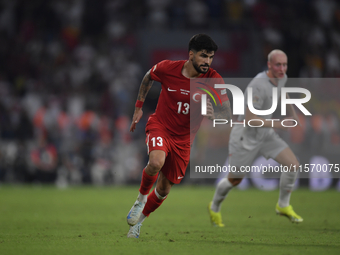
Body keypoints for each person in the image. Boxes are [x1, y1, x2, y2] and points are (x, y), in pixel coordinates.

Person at [127, 34, 231, 238]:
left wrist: (215, 113)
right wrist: (139, 107)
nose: (207, 62)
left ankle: (138, 224)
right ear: (191, 54)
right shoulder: (168, 68)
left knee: (164, 189)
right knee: (156, 162)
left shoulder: (213, 79)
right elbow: (148, 76)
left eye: (211, 57)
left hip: (184, 140)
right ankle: (139, 200)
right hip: (161, 126)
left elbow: (226, 112)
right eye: (203, 56)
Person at [208, 50, 303, 227]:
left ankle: (283, 205)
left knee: (293, 165)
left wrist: (293, 115)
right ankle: (214, 206)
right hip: (245, 136)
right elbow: (251, 119)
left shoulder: (281, 77)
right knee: (234, 180)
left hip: (265, 134)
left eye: (284, 64)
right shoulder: (257, 86)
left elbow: (283, 93)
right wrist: (280, 124)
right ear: (269, 65)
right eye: (278, 65)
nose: (282, 68)